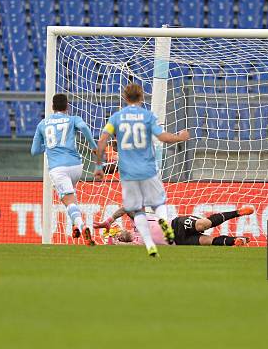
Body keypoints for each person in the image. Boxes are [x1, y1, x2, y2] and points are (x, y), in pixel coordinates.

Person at [94, 83, 190, 257]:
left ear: (125, 97)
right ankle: (163, 222)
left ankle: (149, 244)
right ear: (142, 97)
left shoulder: (116, 118)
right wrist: (179, 137)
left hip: (128, 172)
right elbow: (163, 137)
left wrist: (99, 166)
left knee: (136, 209)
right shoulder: (148, 116)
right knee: (158, 202)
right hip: (147, 168)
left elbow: (101, 142)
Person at [31, 93, 98, 246]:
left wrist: (48, 145)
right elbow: (83, 127)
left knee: (67, 201)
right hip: (76, 166)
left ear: (52, 107)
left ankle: (82, 226)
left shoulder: (42, 124)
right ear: (67, 106)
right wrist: (94, 148)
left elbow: (34, 151)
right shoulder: (73, 119)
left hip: (58, 168)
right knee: (71, 198)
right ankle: (75, 225)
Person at [93, 206, 254, 246]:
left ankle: (237, 213)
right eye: (117, 237)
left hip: (177, 225)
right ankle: (237, 241)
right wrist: (113, 242)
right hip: (178, 242)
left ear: (122, 229)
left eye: (117, 233)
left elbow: (126, 208)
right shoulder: (137, 244)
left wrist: (108, 221)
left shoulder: (137, 222)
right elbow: (122, 247)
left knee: (203, 224)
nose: (118, 236)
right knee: (207, 241)